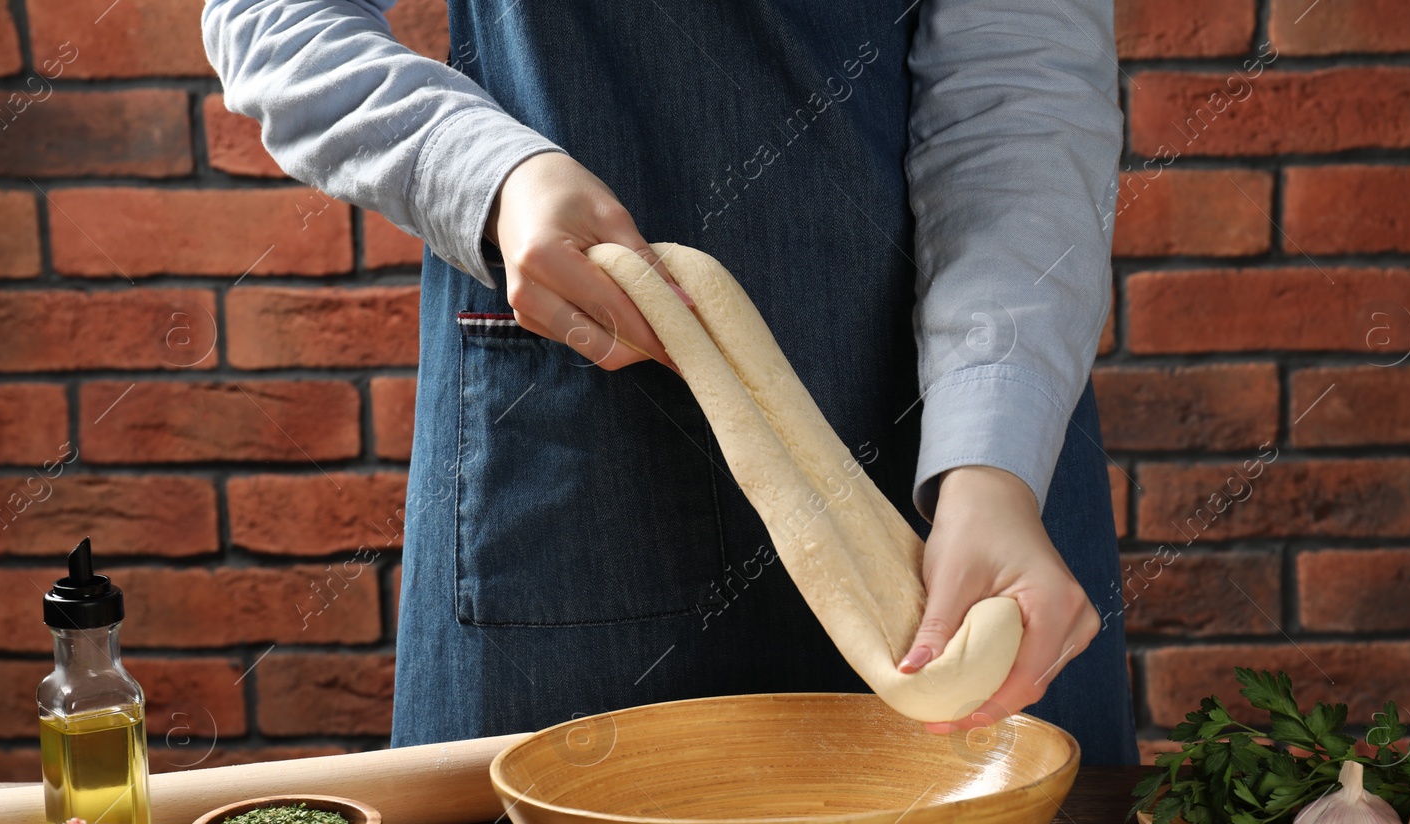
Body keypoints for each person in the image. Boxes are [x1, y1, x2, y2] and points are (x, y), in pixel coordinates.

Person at [204, 0, 1138, 764]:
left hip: (956, 461)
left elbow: (1019, 88)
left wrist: (993, 463)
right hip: (580, 458)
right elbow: (279, 16)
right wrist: (490, 174)